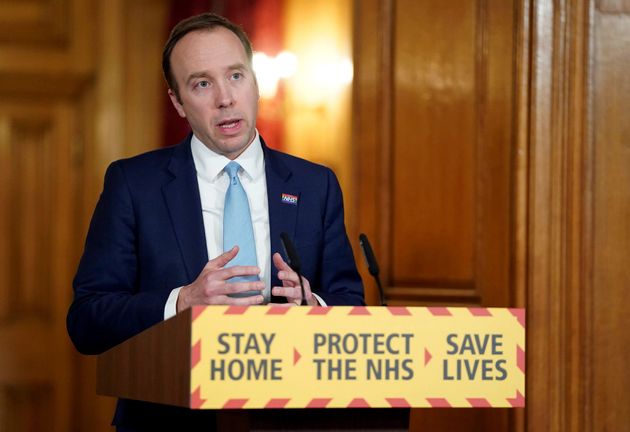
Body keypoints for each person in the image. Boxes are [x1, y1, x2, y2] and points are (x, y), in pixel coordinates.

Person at [66, 12, 364, 431]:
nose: (225, 97)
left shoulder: (316, 185)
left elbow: (353, 305)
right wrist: (181, 302)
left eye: (236, 76)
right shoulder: (135, 185)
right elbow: (87, 321)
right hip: (168, 422)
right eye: (202, 83)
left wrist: (312, 307)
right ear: (177, 102)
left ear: (256, 83)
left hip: (290, 420)